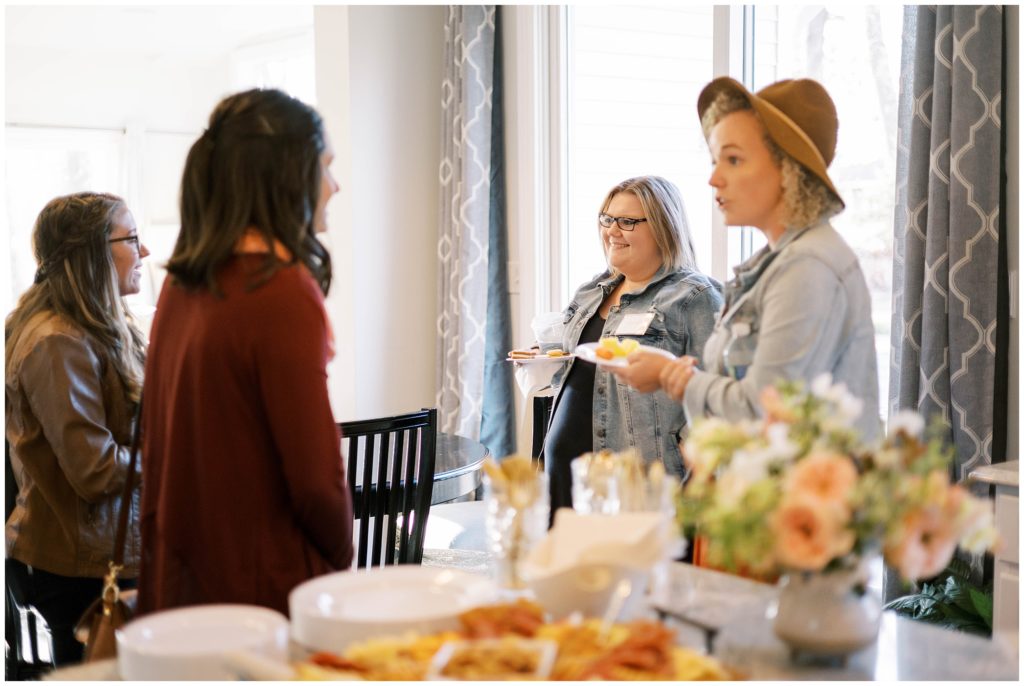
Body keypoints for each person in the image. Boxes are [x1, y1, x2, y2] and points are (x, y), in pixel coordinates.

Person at [139, 88, 353, 617]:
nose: (334, 186)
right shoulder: (278, 291)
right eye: (325, 167)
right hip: (259, 594)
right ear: (288, 175)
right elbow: (316, 480)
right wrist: (342, 557)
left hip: (185, 581)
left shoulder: (183, 284)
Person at [621, 77, 880, 443]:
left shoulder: (806, 268)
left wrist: (671, 375)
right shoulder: (780, 261)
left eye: (733, 159)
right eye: (715, 161)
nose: (714, 178)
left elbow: (764, 408)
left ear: (789, 169)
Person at [5, 192, 148, 665]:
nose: (144, 251)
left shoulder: (95, 326)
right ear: (92, 254)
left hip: (101, 554)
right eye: (132, 238)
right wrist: (173, 457)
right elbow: (95, 471)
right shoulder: (57, 342)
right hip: (81, 567)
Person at [541, 176, 722, 512]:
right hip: (569, 476)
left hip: (640, 487)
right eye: (607, 219)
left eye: (627, 221)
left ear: (665, 227)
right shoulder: (591, 291)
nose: (612, 230)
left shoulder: (694, 297)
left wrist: (699, 471)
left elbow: (714, 399)